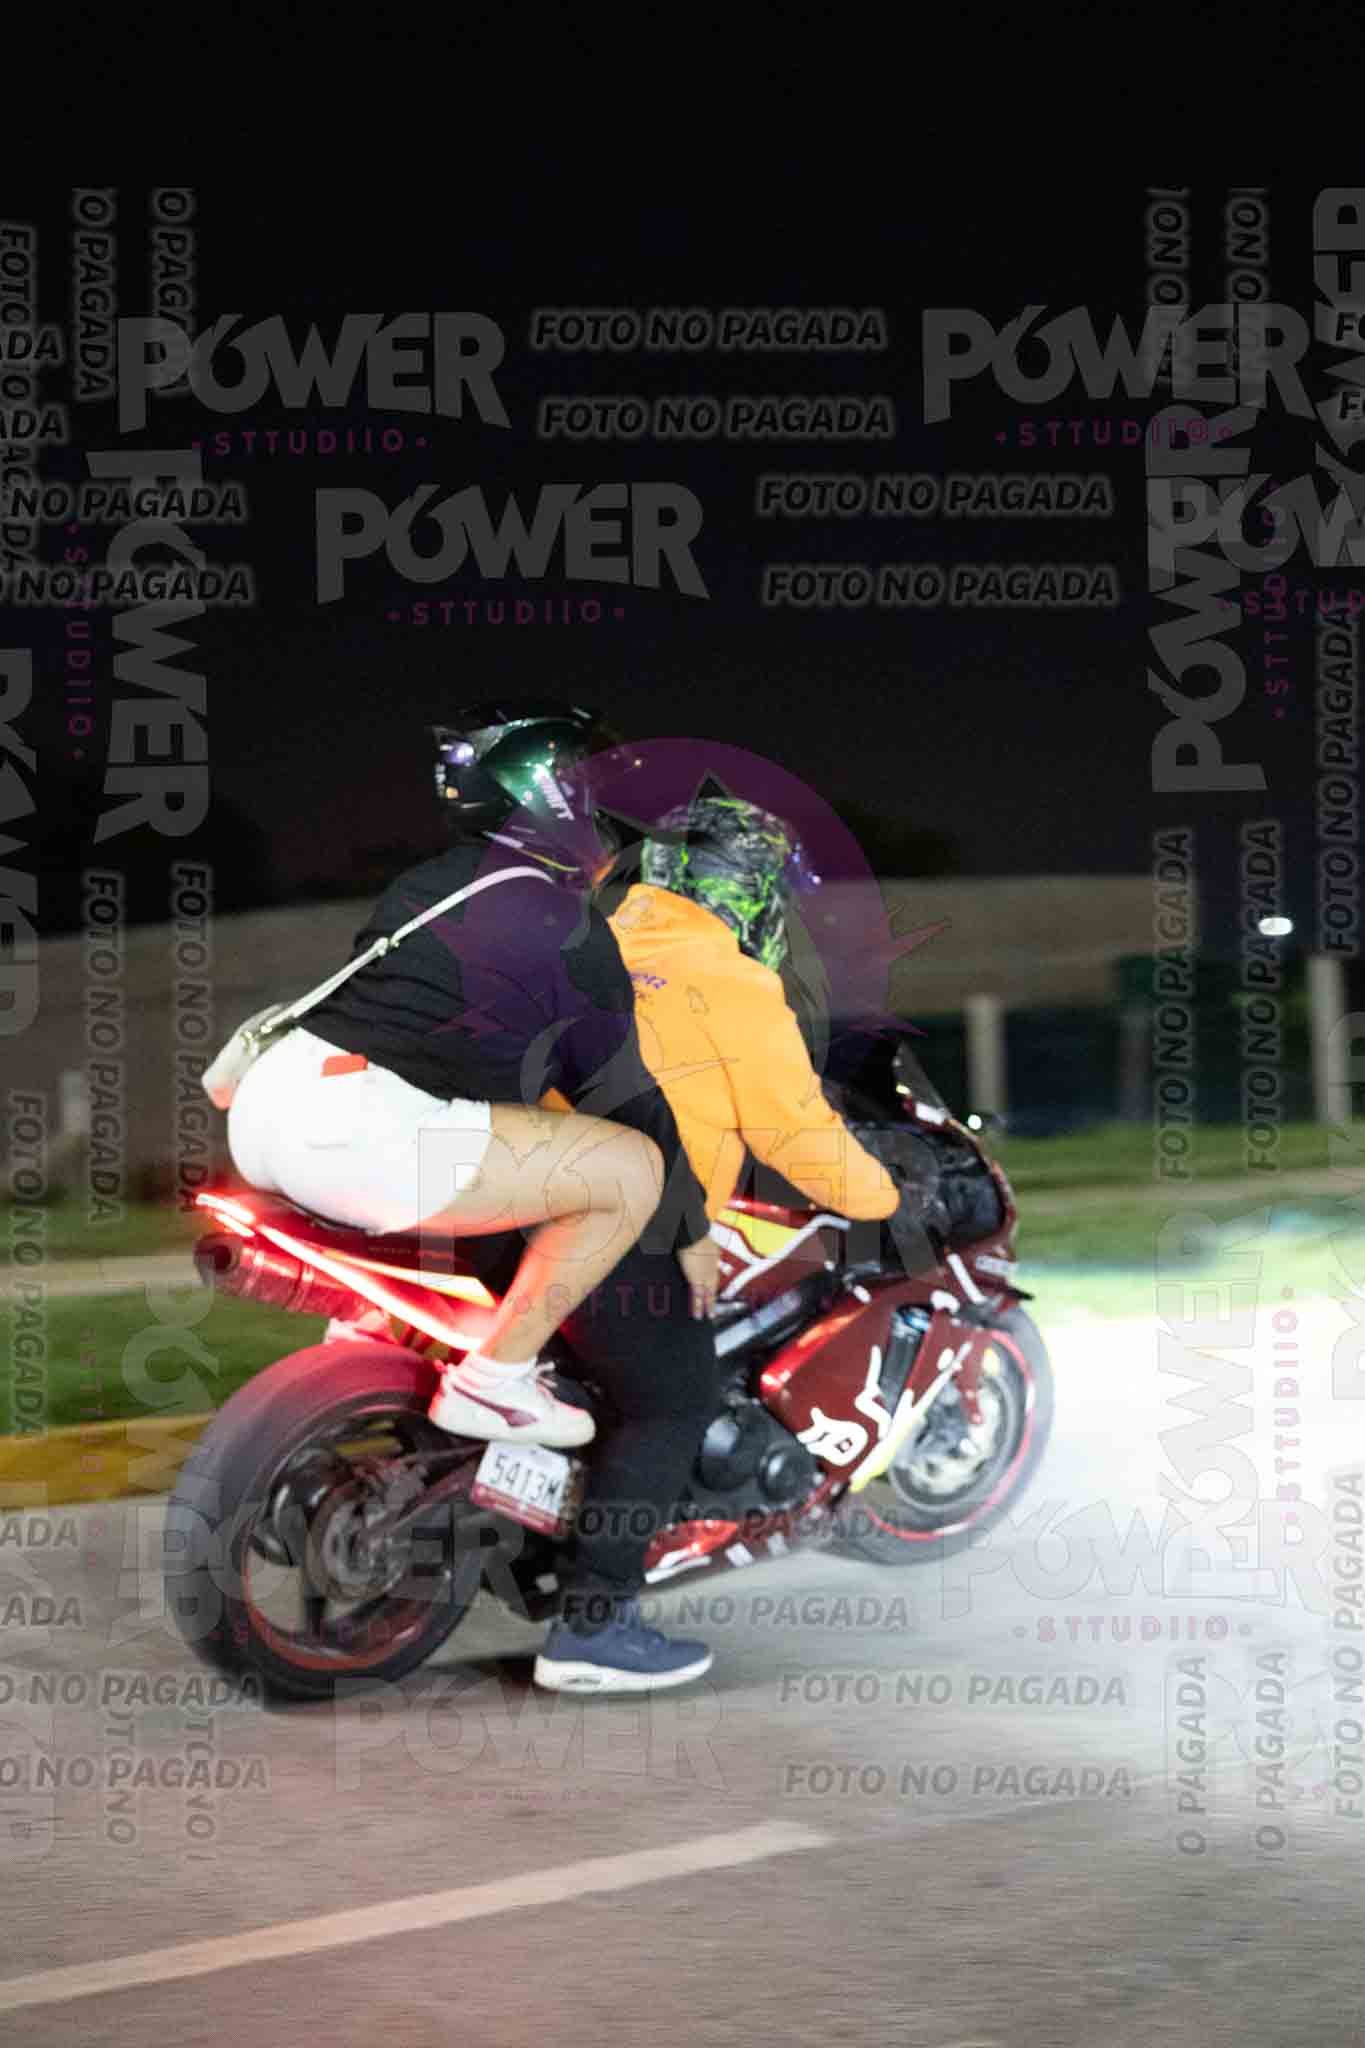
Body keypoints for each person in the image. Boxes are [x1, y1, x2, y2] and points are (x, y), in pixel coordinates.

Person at [226, 703, 722, 1691]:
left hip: (277, 1112)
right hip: (370, 1132)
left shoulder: (428, 885)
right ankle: (589, 1613)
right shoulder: (567, 924)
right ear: (557, 802)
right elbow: (619, 1091)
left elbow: (457, 1047)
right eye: (591, 795)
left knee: (519, 1183)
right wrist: (693, 1225)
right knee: (663, 1337)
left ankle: (381, 1359)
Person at [610, 792, 938, 1262]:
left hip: (557, 1206)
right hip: (650, 1236)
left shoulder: (595, 947)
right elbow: (793, 1135)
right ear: (748, 892)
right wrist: (888, 1200)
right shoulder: (735, 985)